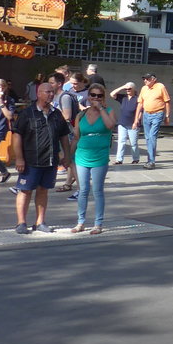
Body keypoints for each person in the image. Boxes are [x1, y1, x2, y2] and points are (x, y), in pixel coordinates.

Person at [11, 81, 73, 234]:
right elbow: (17, 135)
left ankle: (40, 222)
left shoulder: (56, 114)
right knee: (25, 190)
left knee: (43, 190)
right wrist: (19, 158)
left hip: (50, 160)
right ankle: (21, 223)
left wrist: (66, 155)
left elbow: (64, 136)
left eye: (52, 92)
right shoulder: (27, 113)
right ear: (38, 93)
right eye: (47, 92)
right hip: (30, 160)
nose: (51, 94)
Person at [70, 84, 116, 234]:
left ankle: (98, 224)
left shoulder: (109, 111)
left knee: (97, 190)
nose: (95, 98)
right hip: (82, 155)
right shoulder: (81, 115)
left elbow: (110, 125)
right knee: (83, 190)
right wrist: (68, 156)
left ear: (103, 97)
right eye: (93, 95)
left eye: (99, 95)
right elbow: (76, 137)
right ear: (88, 96)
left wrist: (101, 108)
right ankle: (80, 222)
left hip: (100, 156)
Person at [54, 72, 86, 194]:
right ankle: (71, 184)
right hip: (68, 131)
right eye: (71, 83)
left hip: (72, 131)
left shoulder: (67, 96)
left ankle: (81, 188)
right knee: (70, 161)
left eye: (75, 83)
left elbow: (68, 115)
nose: (73, 86)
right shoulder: (67, 94)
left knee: (70, 160)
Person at [134, 73, 170, 169]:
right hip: (146, 114)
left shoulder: (160, 87)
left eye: (147, 79)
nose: (145, 80)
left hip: (157, 114)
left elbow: (167, 102)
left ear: (154, 79)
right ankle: (150, 160)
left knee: (152, 136)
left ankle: (151, 161)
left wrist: (167, 116)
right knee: (147, 137)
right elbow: (140, 104)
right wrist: (136, 119)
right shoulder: (144, 89)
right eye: (144, 79)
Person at [110, 82, 141, 164]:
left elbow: (140, 111)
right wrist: (122, 87)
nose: (127, 90)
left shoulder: (137, 98)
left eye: (129, 89)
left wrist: (136, 121)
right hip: (122, 123)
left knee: (133, 143)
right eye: (126, 89)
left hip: (132, 124)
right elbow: (112, 94)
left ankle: (135, 158)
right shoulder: (123, 97)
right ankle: (119, 159)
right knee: (121, 142)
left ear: (134, 89)